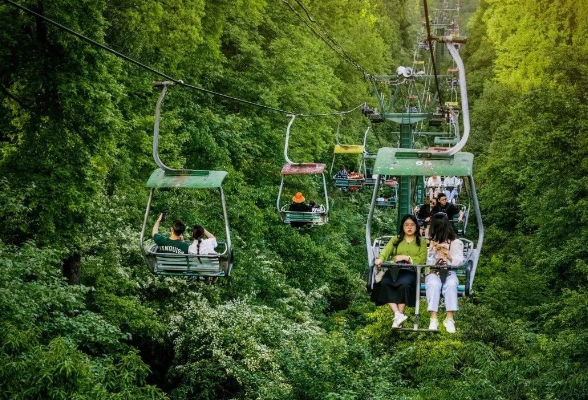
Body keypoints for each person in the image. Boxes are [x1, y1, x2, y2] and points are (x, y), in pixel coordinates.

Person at [371, 214, 427, 329]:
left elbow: (422, 259)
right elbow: (386, 250)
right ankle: (398, 315)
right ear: (402, 226)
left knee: (405, 284)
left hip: (411, 271)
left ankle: (399, 315)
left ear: (416, 227)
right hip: (395, 270)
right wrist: (381, 258)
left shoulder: (420, 242)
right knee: (385, 283)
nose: (409, 227)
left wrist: (406, 258)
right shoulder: (396, 239)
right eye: (406, 225)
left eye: (412, 225)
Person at [425, 213, 464, 333]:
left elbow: (460, 261)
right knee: (433, 284)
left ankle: (449, 318)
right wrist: (432, 253)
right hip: (434, 272)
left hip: (449, 271)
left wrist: (449, 257)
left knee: (451, 284)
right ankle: (433, 318)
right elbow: (427, 263)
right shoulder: (432, 243)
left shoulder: (455, 242)